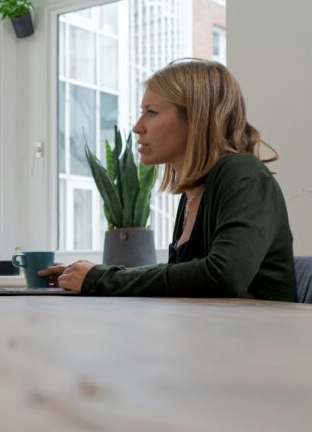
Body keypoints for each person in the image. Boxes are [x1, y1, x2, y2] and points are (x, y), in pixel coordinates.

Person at [40, 59, 297, 301]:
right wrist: (91, 275)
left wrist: (103, 278)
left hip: (260, 343)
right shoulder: (195, 192)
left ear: (196, 119)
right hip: (216, 339)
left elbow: (223, 276)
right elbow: (184, 278)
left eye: (151, 112)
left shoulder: (244, 174)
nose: (137, 127)